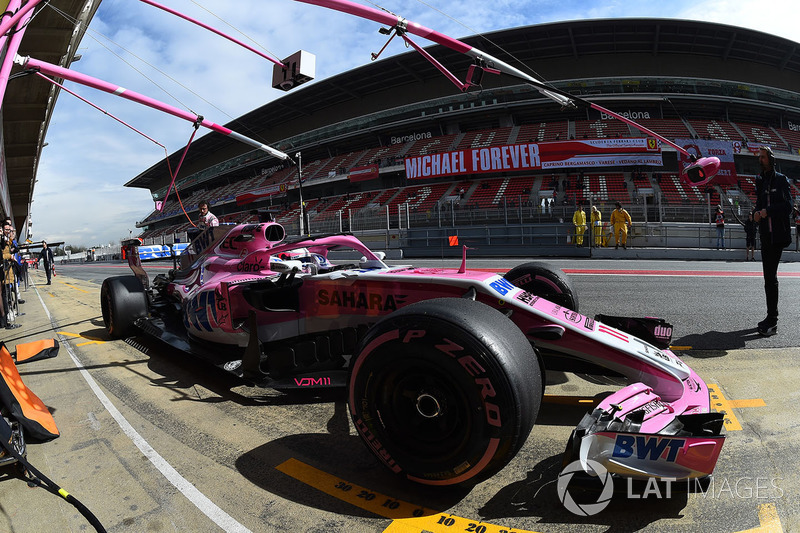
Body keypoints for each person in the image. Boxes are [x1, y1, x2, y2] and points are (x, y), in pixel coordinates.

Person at [753, 146, 793, 336]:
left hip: (777, 236)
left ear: (771, 159)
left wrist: (768, 212)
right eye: (759, 157)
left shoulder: (782, 179)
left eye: (763, 157)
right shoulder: (760, 180)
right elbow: (759, 204)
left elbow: (788, 206)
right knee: (768, 279)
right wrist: (755, 214)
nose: (760, 159)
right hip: (765, 235)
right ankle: (771, 317)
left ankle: (772, 320)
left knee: (771, 278)